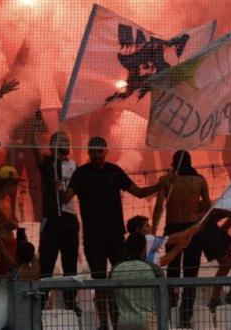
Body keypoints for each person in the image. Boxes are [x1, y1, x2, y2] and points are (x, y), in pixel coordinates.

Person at [62, 136, 169, 330]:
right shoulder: (81, 174)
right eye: (92, 152)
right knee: (100, 282)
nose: (96, 155)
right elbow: (65, 198)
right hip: (93, 239)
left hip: (115, 237)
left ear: (106, 151)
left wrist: (161, 185)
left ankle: (119, 322)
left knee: (121, 279)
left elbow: (139, 192)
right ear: (88, 152)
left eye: (99, 151)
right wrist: (58, 185)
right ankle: (104, 324)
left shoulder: (114, 171)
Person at [151, 150, 208, 328]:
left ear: (173, 162)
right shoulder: (199, 180)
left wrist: (153, 231)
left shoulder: (166, 181)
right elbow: (206, 207)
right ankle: (185, 318)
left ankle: (170, 312)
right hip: (192, 229)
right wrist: (200, 225)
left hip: (173, 227)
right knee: (191, 274)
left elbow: (159, 207)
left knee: (173, 272)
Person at [32, 130, 80, 313]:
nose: (66, 142)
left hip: (69, 219)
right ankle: (41, 302)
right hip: (51, 219)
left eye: (67, 139)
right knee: (46, 263)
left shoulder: (75, 166)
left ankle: (70, 303)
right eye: (61, 140)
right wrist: (35, 130)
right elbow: (35, 150)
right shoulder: (47, 164)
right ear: (52, 146)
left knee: (70, 264)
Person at [110, 233, 164, 330]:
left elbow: (111, 302)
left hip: (124, 321)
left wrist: (115, 324)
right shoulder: (154, 269)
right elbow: (162, 298)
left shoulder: (115, 269)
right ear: (144, 249)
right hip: (148, 320)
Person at [126, 215, 198, 267]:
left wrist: (179, 246)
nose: (150, 227)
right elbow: (173, 238)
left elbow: (162, 262)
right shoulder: (147, 240)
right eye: (147, 226)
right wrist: (191, 230)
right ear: (137, 230)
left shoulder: (129, 241)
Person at [0, 165, 20, 276]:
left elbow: (13, 220)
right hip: (3, 244)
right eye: (14, 184)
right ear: (6, 184)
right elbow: (9, 223)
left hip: (11, 241)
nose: (15, 187)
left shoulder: (8, 198)